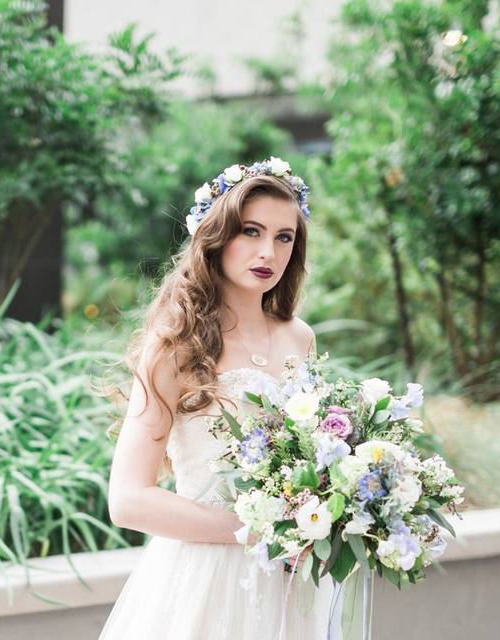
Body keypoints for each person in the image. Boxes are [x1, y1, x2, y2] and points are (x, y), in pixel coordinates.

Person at [99, 158, 335, 639]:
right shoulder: (175, 347)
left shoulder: (299, 339)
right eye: (251, 231)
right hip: (204, 584)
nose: (268, 250)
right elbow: (127, 500)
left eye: (284, 237)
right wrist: (255, 529)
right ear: (218, 234)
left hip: (288, 588)